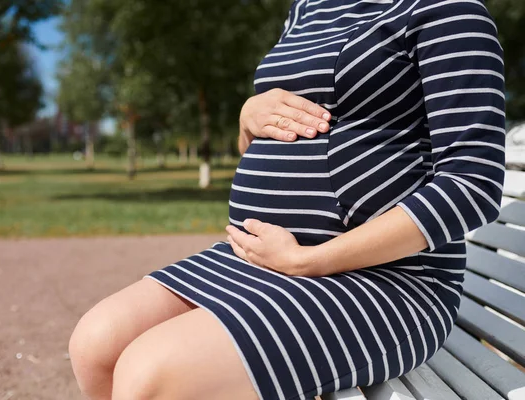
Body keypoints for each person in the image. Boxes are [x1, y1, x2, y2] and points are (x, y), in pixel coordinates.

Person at [68, 0, 506, 399]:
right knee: (95, 345)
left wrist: (308, 261)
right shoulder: (307, 8)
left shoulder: (448, 10)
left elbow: (473, 185)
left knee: (152, 376)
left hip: (390, 279)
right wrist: (248, 117)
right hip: (258, 262)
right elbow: (286, 134)